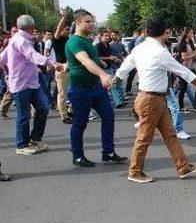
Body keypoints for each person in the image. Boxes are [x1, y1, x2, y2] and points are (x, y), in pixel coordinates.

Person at [114, 16, 196, 183]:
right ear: (161, 32)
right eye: (167, 32)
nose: (168, 35)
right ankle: (135, 172)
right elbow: (182, 71)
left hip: (153, 99)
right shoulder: (160, 52)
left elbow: (124, 68)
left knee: (170, 135)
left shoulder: (140, 48)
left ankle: (183, 167)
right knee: (144, 138)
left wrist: (114, 80)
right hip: (151, 100)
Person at [65, 9, 128, 167]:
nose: (92, 24)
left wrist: (100, 61)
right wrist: (102, 74)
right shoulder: (74, 41)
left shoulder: (87, 41)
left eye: (92, 21)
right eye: (88, 21)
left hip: (96, 88)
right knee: (80, 123)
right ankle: (78, 156)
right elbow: (85, 61)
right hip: (80, 89)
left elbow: (90, 58)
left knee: (109, 117)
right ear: (78, 23)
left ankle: (108, 153)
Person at [0, 15, 60, 155]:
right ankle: (22, 145)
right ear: (31, 28)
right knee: (24, 115)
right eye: (34, 28)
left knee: (43, 108)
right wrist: (52, 63)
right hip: (21, 84)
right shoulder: (21, 40)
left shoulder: (16, 40)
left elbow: (3, 58)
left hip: (32, 83)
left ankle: (34, 140)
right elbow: (32, 55)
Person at [176, 28, 196, 113]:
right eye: (192, 32)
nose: (193, 33)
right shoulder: (183, 44)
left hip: (191, 67)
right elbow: (184, 58)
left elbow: (194, 57)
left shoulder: (191, 43)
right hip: (184, 68)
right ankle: (181, 106)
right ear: (187, 33)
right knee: (183, 88)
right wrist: (195, 54)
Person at [96, 31, 125, 108]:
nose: (107, 37)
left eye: (108, 36)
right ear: (101, 37)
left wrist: (114, 58)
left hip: (109, 67)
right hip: (101, 69)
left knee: (113, 84)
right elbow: (98, 58)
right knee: (105, 86)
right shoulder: (98, 45)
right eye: (105, 36)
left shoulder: (108, 45)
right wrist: (109, 58)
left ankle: (119, 101)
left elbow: (109, 56)